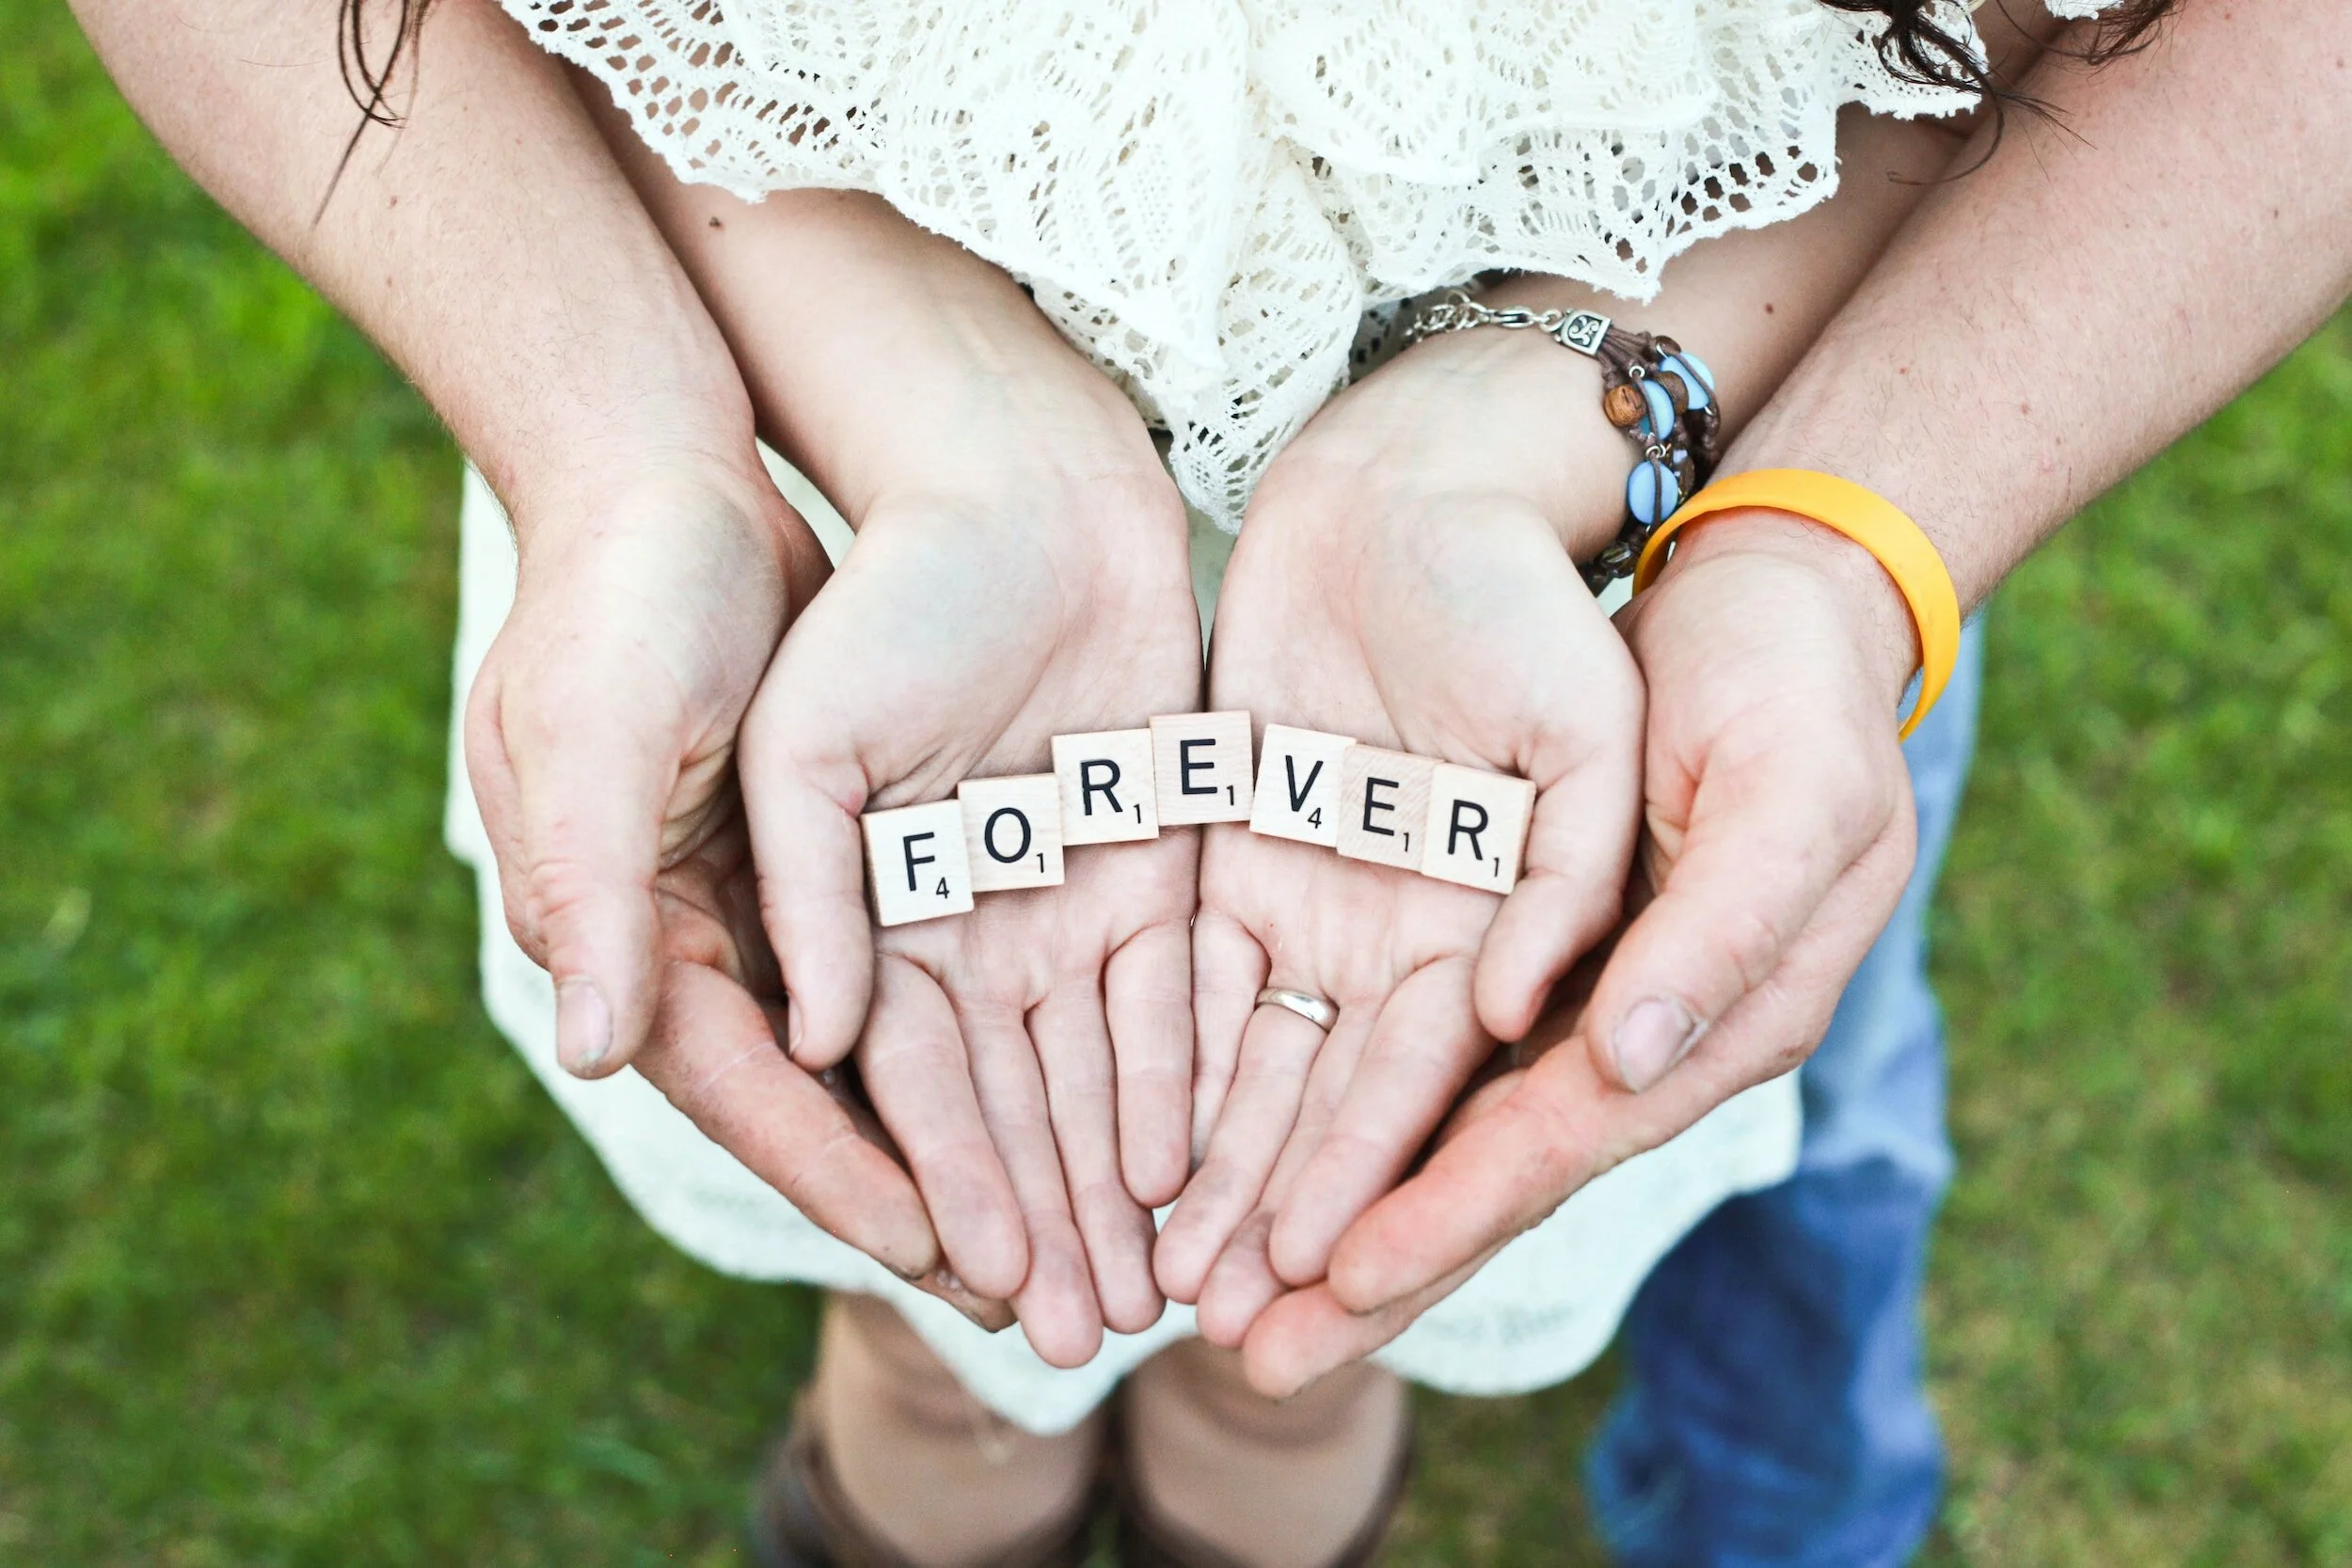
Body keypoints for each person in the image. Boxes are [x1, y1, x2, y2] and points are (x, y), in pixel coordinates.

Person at [66, 1, 2351, 1565]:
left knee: (1311, 1332)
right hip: (813, 464)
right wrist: (622, 446)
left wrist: (1828, 542)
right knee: (947, 1331)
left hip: (1618, 557)